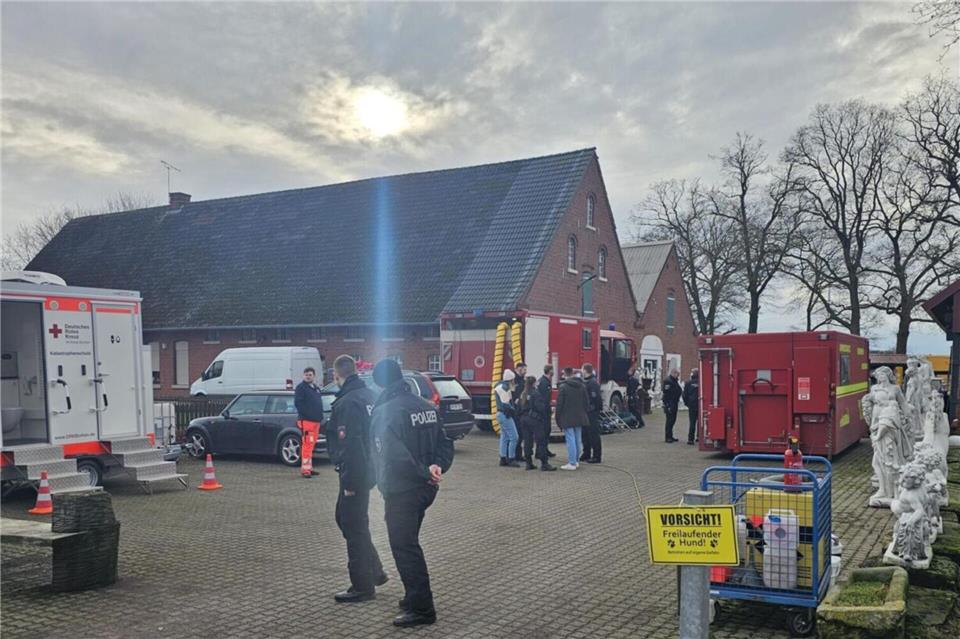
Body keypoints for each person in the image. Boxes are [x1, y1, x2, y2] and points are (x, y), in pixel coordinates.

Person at [369, 358, 455, 627]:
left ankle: (422, 609)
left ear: (380, 382)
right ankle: (412, 596)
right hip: (427, 488)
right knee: (409, 542)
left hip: (402, 490)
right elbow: (445, 442)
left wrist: (422, 471)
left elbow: (393, 456)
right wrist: (436, 467)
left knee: (404, 547)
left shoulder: (386, 411)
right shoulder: (426, 406)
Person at [327, 355, 387, 602]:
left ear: (336, 375)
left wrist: (351, 482)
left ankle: (363, 586)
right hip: (371, 468)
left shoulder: (347, 403)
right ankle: (375, 571)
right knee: (348, 519)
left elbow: (351, 444)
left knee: (353, 525)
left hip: (356, 473)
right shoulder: (369, 396)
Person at [517, 376, 557, 471]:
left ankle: (529, 463)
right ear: (534, 383)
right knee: (541, 441)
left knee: (527, 441)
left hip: (524, 420)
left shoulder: (523, 394)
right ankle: (544, 463)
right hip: (534, 420)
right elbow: (541, 408)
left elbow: (518, 408)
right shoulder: (535, 393)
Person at [555, 366, 590, 470]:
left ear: (565, 374)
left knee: (570, 439)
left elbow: (559, 405)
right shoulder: (582, 386)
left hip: (567, 417)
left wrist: (558, 417)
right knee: (578, 439)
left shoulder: (563, 387)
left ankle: (572, 463)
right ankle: (576, 461)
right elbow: (586, 402)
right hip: (580, 416)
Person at [293, 367, 323, 477]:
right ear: (303, 376)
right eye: (306, 375)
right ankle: (305, 470)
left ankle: (309, 468)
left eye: (310, 375)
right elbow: (298, 404)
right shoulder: (301, 388)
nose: (308, 376)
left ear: (314, 376)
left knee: (312, 445)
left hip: (316, 421)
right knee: (307, 445)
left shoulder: (315, 388)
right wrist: (307, 415)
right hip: (307, 422)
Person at [495, 369, 520, 467]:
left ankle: (503, 457)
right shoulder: (504, 388)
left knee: (504, 436)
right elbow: (506, 405)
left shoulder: (500, 386)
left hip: (500, 414)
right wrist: (514, 411)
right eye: (513, 380)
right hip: (505, 414)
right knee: (514, 437)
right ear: (510, 380)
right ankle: (511, 458)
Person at [580, 363, 603, 464]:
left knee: (593, 434)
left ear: (585, 370)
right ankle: (586, 453)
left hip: (592, 412)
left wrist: (594, 409)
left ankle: (596, 456)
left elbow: (596, 399)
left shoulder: (593, 383)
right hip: (586, 412)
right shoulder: (586, 382)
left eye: (582, 369)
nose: (581, 371)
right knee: (584, 434)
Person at [537, 365, 558, 458]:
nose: (553, 372)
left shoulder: (545, 381)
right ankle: (540, 452)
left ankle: (544, 450)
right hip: (543, 412)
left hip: (545, 410)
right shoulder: (544, 382)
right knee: (544, 432)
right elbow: (543, 398)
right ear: (549, 371)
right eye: (552, 370)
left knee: (546, 431)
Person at [512, 362, 528, 461]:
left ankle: (519, 455)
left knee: (521, 434)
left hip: (522, 410)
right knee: (516, 434)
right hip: (516, 411)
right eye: (524, 369)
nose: (525, 371)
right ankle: (513, 455)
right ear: (518, 368)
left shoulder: (522, 380)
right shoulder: (514, 380)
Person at [662, 368, 682, 443]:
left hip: (674, 402)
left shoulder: (674, 381)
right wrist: (667, 404)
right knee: (669, 421)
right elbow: (666, 393)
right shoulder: (668, 381)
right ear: (673, 373)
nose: (678, 376)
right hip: (670, 403)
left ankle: (670, 436)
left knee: (673, 420)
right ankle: (668, 437)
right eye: (677, 374)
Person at [683, 368, 700, 445]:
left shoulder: (688, 383)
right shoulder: (702, 382)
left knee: (692, 422)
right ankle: (699, 437)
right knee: (700, 422)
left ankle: (690, 439)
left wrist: (687, 403)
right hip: (700, 404)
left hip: (692, 405)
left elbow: (684, 395)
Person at [626, 364, 645, 428]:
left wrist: (630, 395)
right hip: (633, 396)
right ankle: (638, 422)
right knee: (634, 410)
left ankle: (639, 422)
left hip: (632, 396)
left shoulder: (632, 380)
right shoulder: (633, 379)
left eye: (630, 371)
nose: (628, 372)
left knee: (634, 410)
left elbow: (630, 389)